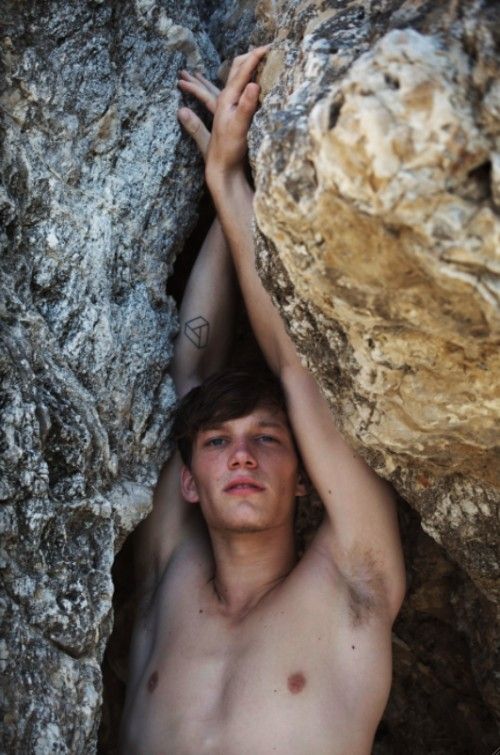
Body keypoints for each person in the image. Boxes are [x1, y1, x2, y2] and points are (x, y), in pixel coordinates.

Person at [119, 46, 406, 754]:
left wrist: (233, 177)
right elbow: (188, 375)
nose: (241, 455)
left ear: (306, 474)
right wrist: (224, 187)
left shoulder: (353, 587)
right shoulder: (164, 584)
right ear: (189, 479)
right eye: (217, 443)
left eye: (268, 439)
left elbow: (297, 371)